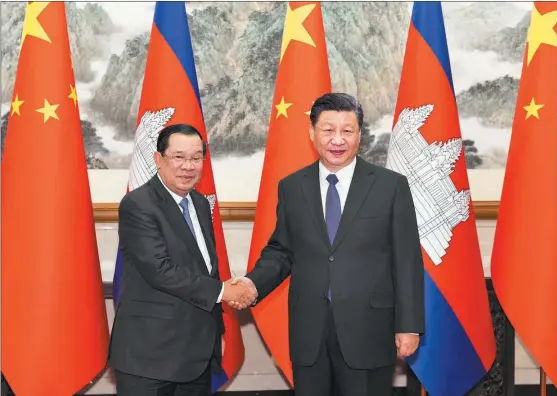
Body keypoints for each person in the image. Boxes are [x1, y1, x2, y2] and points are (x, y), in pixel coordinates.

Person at [231, 93, 425, 396]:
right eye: (328, 130)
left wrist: (409, 325)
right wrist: (252, 284)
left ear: (359, 135)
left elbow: (407, 260)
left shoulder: (390, 186)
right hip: (310, 331)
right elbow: (282, 251)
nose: (338, 139)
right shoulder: (293, 186)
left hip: (369, 329)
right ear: (312, 133)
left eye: (347, 131)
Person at [108, 124, 256, 396]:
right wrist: (226, 291)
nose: (188, 166)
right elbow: (160, 270)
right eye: (178, 157)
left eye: (196, 157)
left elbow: (206, 271)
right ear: (158, 159)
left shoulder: (200, 204)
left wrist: (218, 331)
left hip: (196, 355)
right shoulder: (138, 204)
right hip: (149, 357)